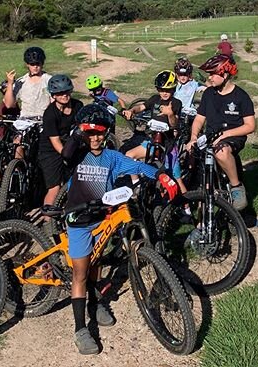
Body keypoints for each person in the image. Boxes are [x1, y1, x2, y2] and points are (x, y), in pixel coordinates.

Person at [60, 103, 178, 355]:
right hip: (79, 220)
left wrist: (161, 175)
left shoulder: (112, 157)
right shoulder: (78, 153)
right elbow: (66, 155)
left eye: (100, 133)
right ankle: (81, 328)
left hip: (101, 219)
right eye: (90, 134)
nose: (95, 138)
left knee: (96, 265)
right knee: (80, 274)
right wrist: (78, 133)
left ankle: (96, 302)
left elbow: (136, 167)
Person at [187, 55, 255, 210]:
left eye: (212, 74)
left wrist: (226, 134)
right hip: (210, 136)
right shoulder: (209, 94)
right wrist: (193, 137)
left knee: (221, 152)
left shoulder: (241, 96)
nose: (209, 78)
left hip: (232, 137)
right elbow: (199, 119)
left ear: (224, 75)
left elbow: (250, 126)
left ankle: (236, 186)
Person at [122, 70, 186, 194]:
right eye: (161, 89)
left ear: (173, 89)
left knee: (176, 179)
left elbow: (174, 124)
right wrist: (132, 111)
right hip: (152, 142)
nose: (164, 93)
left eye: (168, 90)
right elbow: (141, 107)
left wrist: (170, 114)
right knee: (129, 156)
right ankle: (137, 187)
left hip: (168, 145)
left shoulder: (176, 103)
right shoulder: (155, 99)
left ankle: (186, 209)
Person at [38, 74, 84, 206]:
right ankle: (48, 220)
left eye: (67, 91)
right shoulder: (50, 114)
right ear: (53, 95)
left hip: (71, 144)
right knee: (54, 188)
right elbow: (55, 141)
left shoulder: (78, 106)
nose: (64, 95)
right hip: (50, 150)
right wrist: (66, 155)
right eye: (59, 93)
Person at [3, 46, 52, 119]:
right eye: (32, 64)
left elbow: (55, 103)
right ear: (27, 64)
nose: (35, 66)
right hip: (26, 120)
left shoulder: (49, 80)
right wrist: (10, 83)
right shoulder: (22, 81)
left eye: (38, 64)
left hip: (45, 119)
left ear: (42, 63)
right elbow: (8, 104)